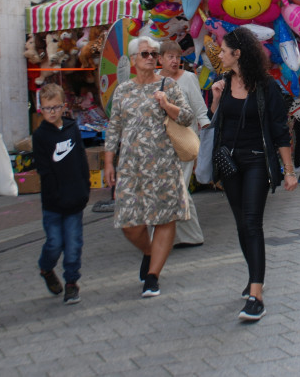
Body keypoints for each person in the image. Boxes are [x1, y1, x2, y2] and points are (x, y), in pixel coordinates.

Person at [209, 27, 297, 322]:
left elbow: (279, 130)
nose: (219, 55)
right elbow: (215, 125)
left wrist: (289, 172)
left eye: (223, 50)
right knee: (240, 225)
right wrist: (215, 102)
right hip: (229, 163)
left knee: (251, 222)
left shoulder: (266, 86)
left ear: (238, 54)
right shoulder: (221, 82)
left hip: (257, 160)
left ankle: (256, 295)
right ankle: (253, 276)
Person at [103, 37, 193, 299]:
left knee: (165, 218)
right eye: (145, 54)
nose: (151, 58)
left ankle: (152, 276)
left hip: (163, 164)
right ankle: (149, 251)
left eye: (155, 54)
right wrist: (109, 161)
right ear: (133, 60)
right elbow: (114, 128)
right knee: (130, 224)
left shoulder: (169, 86)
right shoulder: (123, 91)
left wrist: (167, 105)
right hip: (131, 167)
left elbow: (186, 117)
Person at [33, 83, 90, 305]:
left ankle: (71, 283)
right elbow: (44, 170)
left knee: (74, 243)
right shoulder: (40, 136)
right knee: (55, 242)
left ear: (63, 107)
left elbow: (81, 161)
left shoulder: (71, 128)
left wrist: (84, 188)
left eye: (56, 107)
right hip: (53, 203)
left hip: (75, 199)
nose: (52, 112)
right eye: (47, 108)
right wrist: (55, 195)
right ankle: (46, 268)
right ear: (41, 109)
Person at [159, 41, 210, 248]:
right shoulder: (156, 82)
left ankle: (166, 238)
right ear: (160, 59)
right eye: (170, 57)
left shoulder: (189, 78)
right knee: (173, 190)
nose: (174, 61)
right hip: (163, 144)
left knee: (178, 188)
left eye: (177, 57)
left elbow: (200, 110)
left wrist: (205, 143)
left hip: (186, 142)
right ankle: (190, 235)